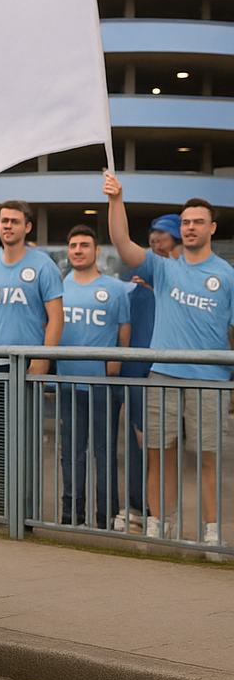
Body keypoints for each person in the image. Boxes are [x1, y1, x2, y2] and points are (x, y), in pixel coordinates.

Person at [103, 177, 233, 551]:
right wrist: (117, 200)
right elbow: (123, 245)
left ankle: (211, 533)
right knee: (159, 457)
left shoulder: (226, 275)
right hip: (162, 376)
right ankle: (160, 526)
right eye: (186, 222)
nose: (191, 227)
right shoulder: (163, 267)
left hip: (209, 381)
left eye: (198, 222)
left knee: (209, 460)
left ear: (212, 228)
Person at [0, 202, 63, 516]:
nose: (7, 226)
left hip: (24, 368)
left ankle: (24, 510)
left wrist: (42, 362)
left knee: (24, 442)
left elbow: (56, 318)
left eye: (14, 221)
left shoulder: (43, 265)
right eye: (3, 221)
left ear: (27, 227)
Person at [55, 225, 131, 528]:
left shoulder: (114, 288)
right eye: (73, 245)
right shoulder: (61, 286)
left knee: (104, 452)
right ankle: (72, 514)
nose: (78, 250)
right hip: (68, 383)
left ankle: (106, 516)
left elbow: (124, 329)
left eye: (84, 245)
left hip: (102, 385)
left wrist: (116, 360)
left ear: (97, 251)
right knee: (72, 453)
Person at [114, 214, 182, 533]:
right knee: (139, 442)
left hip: (169, 374)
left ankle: (161, 513)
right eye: (153, 234)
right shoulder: (135, 281)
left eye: (164, 234)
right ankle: (139, 507)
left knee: (161, 446)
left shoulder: (181, 281)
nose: (156, 239)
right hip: (137, 373)